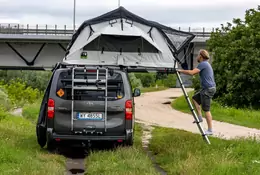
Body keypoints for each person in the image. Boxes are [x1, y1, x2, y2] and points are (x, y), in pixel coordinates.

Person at [178, 49, 216, 135]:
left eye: (198, 55)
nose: (197, 57)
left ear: (201, 56)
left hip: (208, 89)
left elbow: (192, 73)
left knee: (206, 110)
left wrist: (180, 71)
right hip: (206, 89)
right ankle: (199, 118)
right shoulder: (205, 64)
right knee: (195, 98)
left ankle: (210, 130)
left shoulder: (203, 64)